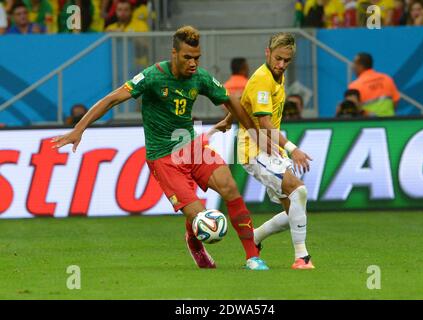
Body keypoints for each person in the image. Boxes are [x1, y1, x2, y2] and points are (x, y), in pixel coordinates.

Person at [52, 25, 269, 271]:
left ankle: (253, 257)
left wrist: (255, 133)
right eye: (187, 57)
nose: (193, 63)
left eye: (197, 58)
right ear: (174, 53)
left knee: (230, 187)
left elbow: (231, 101)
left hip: (192, 148)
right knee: (200, 217)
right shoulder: (153, 76)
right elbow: (112, 98)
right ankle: (194, 241)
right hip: (163, 158)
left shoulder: (200, 78)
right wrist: (79, 129)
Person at [212, 33, 315, 270]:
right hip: (255, 150)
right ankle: (302, 258)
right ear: (267, 52)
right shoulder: (262, 78)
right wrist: (293, 148)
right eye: (278, 58)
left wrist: (229, 119)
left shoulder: (274, 75)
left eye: (287, 60)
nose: (281, 64)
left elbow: (244, 99)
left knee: (294, 207)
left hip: (269, 148)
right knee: (298, 191)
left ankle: (255, 238)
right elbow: (266, 124)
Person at [348, 52, 400, 117]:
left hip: (369, 125)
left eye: (354, 64)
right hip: (390, 123)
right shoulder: (386, 79)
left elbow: (351, 111)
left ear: (360, 66)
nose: (353, 67)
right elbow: (396, 101)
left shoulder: (354, 86)